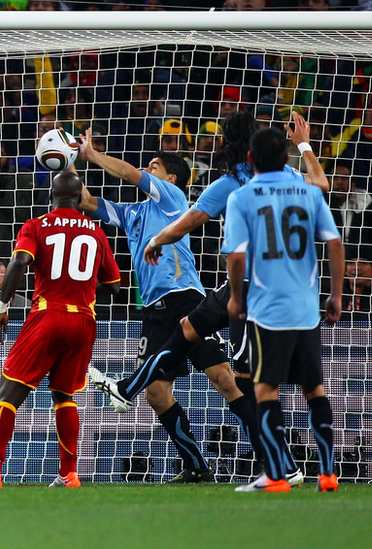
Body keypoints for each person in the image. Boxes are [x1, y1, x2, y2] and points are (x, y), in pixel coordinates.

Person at [92, 111, 327, 486]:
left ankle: (284, 467)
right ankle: (132, 390)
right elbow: (322, 184)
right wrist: (304, 144)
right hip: (292, 287)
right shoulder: (290, 178)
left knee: (243, 380)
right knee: (196, 340)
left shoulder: (228, 183)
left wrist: (157, 240)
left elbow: (192, 223)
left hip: (250, 288)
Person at [75, 127, 254, 484]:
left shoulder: (172, 198)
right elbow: (85, 201)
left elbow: (127, 172)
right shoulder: (131, 213)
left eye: (154, 166)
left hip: (186, 297)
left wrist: (93, 154)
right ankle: (197, 466)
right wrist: (66, 160)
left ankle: (271, 453)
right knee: (157, 394)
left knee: (223, 379)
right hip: (154, 309)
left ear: (171, 178)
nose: (147, 168)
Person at [0, 171, 121, 488]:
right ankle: (69, 475)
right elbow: (115, 284)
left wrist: (2, 306)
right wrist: (81, 288)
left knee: (9, 393)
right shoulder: (95, 231)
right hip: (83, 321)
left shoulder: (36, 225)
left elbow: (20, 261)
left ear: (50, 197)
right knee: (65, 396)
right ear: (80, 199)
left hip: (47, 315)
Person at [223, 126, 344, 493]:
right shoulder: (308, 193)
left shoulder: (242, 197)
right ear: (287, 158)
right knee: (315, 390)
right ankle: (327, 474)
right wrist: (335, 295)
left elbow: (237, 255)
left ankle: (276, 476)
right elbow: (335, 243)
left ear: (249, 158)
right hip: (307, 309)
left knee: (265, 391)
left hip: (267, 310)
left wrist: (235, 298)